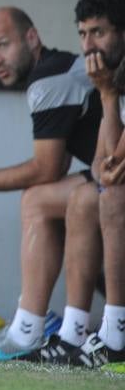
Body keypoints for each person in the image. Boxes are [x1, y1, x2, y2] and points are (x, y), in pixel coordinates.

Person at [0, 0, 123, 362]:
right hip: (109, 175)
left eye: (3, 45)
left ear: (32, 39)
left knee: (38, 198)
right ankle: (55, 328)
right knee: (60, 197)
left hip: (114, 182)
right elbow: (72, 163)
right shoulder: (62, 73)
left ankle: (31, 329)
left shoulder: (48, 79)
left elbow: (48, 167)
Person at [75, 42, 125, 368]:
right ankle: (72, 329)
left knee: (111, 199)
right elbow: (105, 160)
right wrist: (107, 94)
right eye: (83, 33)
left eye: (99, 32)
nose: (90, 44)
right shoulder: (114, 80)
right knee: (86, 199)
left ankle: (116, 330)